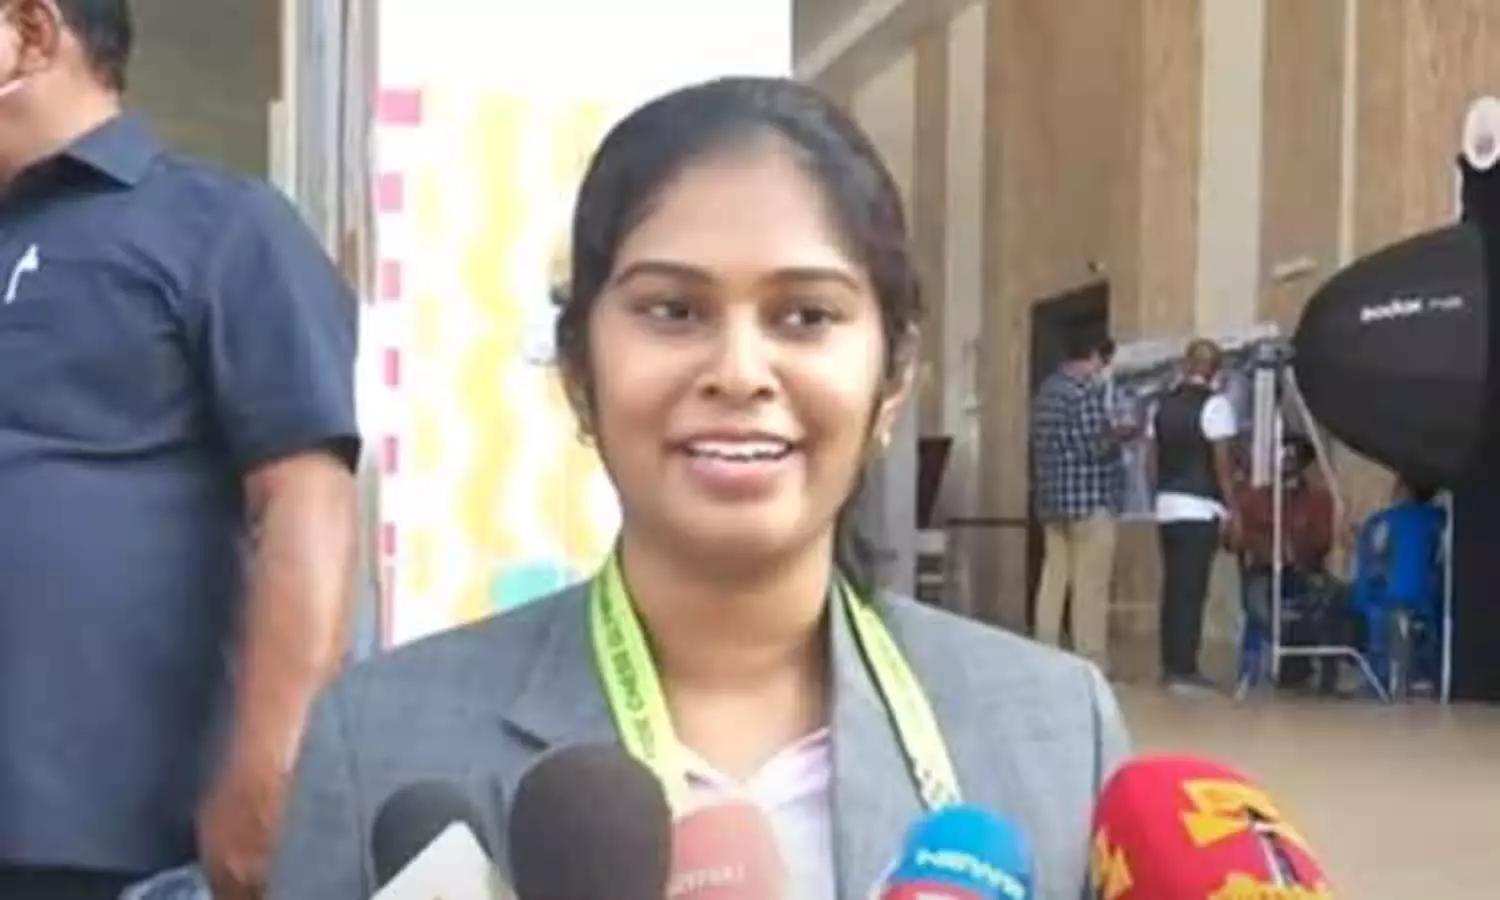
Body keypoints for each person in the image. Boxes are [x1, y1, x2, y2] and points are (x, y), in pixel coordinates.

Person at [270, 77, 1129, 900]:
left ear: (893, 378)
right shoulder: (381, 739)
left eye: (806, 316)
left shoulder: (1056, 732)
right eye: (674, 311)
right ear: (579, 372)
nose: (740, 371)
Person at [0, 3, 361, 899]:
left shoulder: (220, 226)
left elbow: (306, 497)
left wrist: (272, 779)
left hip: (111, 848)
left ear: (30, 34)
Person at [1029, 331, 1131, 671]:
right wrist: (1123, 435)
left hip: (1053, 499)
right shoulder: (1086, 390)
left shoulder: (1047, 390)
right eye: (1104, 361)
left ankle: (1044, 647)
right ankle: (1091, 658)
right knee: (1091, 584)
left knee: (1054, 577)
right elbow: (1095, 444)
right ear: (1093, 356)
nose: (1103, 369)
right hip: (1089, 500)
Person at [1147, 338, 1239, 695]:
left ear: (1186, 365)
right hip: (1200, 507)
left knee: (1172, 588)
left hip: (1167, 506)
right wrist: (1232, 507)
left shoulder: (1161, 405)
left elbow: (1151, 461)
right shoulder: (1216, 405)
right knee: (1191, 590)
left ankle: (1169, 664)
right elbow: (1221, 462)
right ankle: (1184, 670)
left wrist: (1159, 494)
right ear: (1216, 371)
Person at [1235, 433, 1341, 691]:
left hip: (1305, 573)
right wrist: (1267, 548)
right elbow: (1237, 540)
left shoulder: (1318, 501)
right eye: (1281, 453)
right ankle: (1251, 672)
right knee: (1258, 603)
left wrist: (1297, 546)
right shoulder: (1255, 499)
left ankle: (1325, 677)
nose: (1285, 460)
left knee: (1332, 598)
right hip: (1264, 572)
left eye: (1292, 455)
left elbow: (1323, 542)